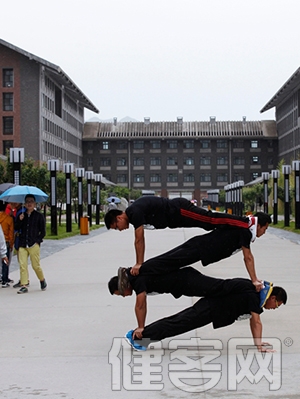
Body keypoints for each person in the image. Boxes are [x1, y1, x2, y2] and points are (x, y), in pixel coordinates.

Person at [115, 211, 271, 299]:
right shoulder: (245, 229)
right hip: (200, 247)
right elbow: (248, 257)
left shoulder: (244, 225)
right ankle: (129, 272)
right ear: (260, 225)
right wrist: (254, 280)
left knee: (169, 262)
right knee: (168, 261)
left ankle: (133, 273)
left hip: (201, 248)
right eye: (265, 229)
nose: (263, 233)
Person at [124, 281, 287, 352]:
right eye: (277, 305)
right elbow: (256, 322)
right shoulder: (255, 295)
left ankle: (142, 337)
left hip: (210, 308)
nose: (274, 308)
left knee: (178, 324)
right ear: (273, 298)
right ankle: (139, 336)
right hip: (209, 308)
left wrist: (257, 342)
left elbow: (254, 321)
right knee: (177, 323)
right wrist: (259, 345)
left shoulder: (256, 292)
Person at [104, 196, 251, 272]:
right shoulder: (133, 212)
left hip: (179, 210)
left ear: (119, 217)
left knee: (210, 219)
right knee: (208, 225)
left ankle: (245, 222)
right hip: (178, 218)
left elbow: (139, 240)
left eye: (117, 226)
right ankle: (237, 228)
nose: (120, 229)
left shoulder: (134, 212)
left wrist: (139, 263)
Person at [13, 194, 47, 294]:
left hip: (33, 244)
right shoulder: (22, 215)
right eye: (27, 201)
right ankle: (24, 285)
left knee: (35, 265)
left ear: (35, 203)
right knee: (23, 265)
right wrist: (20, 220)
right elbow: (17, 227)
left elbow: (43, 232)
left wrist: (37, 241)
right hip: (23, 243)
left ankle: (42, 279)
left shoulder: (39, 216)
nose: (29, 203)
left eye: (31, 201)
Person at [0, 201, 14, 287]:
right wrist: (11, 244)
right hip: (6, 241)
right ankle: (5, 279)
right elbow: (11, 232)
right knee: (5, 261)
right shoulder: (9, 218)